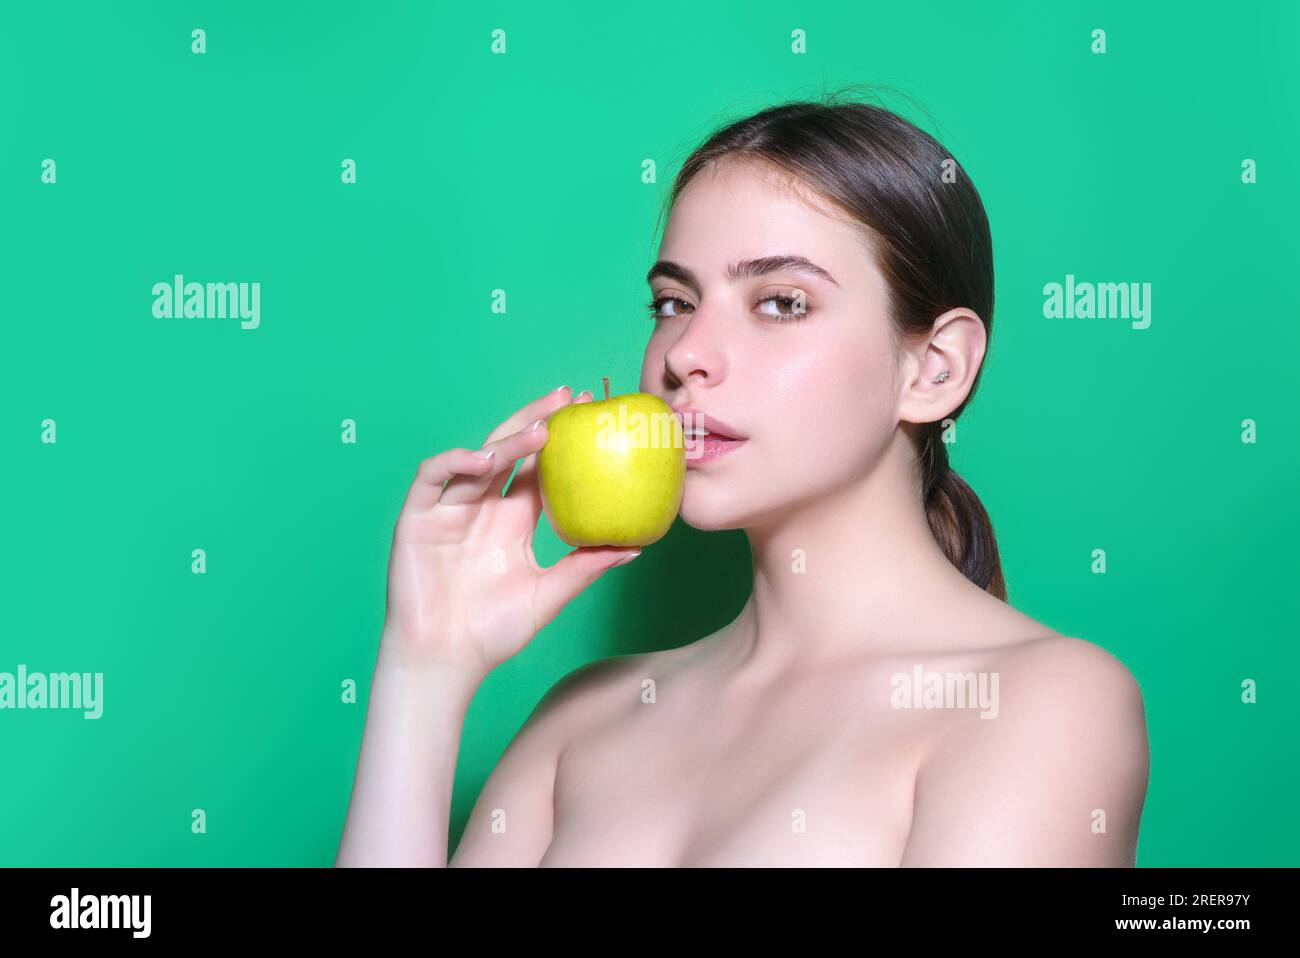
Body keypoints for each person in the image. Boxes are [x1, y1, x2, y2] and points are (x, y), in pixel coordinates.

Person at [336, 89, 1150, 867]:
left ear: (933, 370)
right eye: (673, 303)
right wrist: (426, 667)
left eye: (781, 302)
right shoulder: (583, 720)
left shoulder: (1040, 701)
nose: (685, 353)